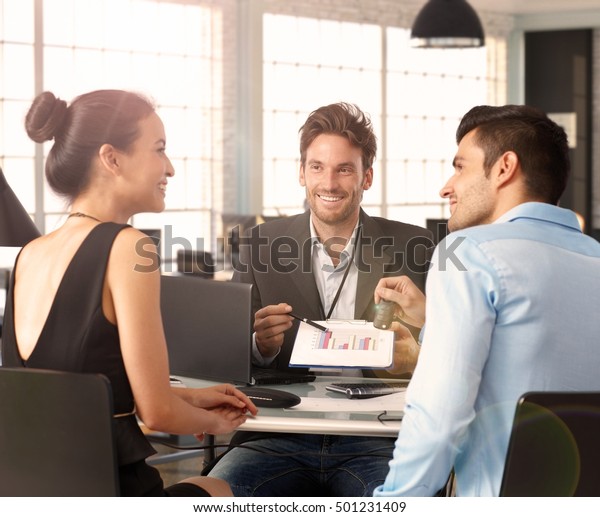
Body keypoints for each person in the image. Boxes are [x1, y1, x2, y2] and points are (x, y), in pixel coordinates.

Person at [0, 90, 257, 497]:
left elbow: (82, 384)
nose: (169, 167)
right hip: (117, 491)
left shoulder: (30, 255)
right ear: (112, 158)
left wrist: (193, 395)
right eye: (159, 149)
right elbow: (156, 414)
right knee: (228, 488)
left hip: (37, 494)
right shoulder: (128, 246)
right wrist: (217, 424)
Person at [372, 104, 600, 497]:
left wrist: (392, 504)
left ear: (504, 168)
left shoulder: (466, 252)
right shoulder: (593, 257)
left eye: (460, 167)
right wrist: (434, 322)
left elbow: (439, 416)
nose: (447, 186)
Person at [207, 102, 433, 496]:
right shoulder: (261, 244)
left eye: (344, 169)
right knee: (213, 496)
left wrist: (414, 350)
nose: (329, 183)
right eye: (317, 167)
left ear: (367, 177)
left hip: (378, 437)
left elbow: (448, 353)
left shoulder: (413, 245)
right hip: (277, 436)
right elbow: (225, 360)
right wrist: (258, 347)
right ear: (301, 173)